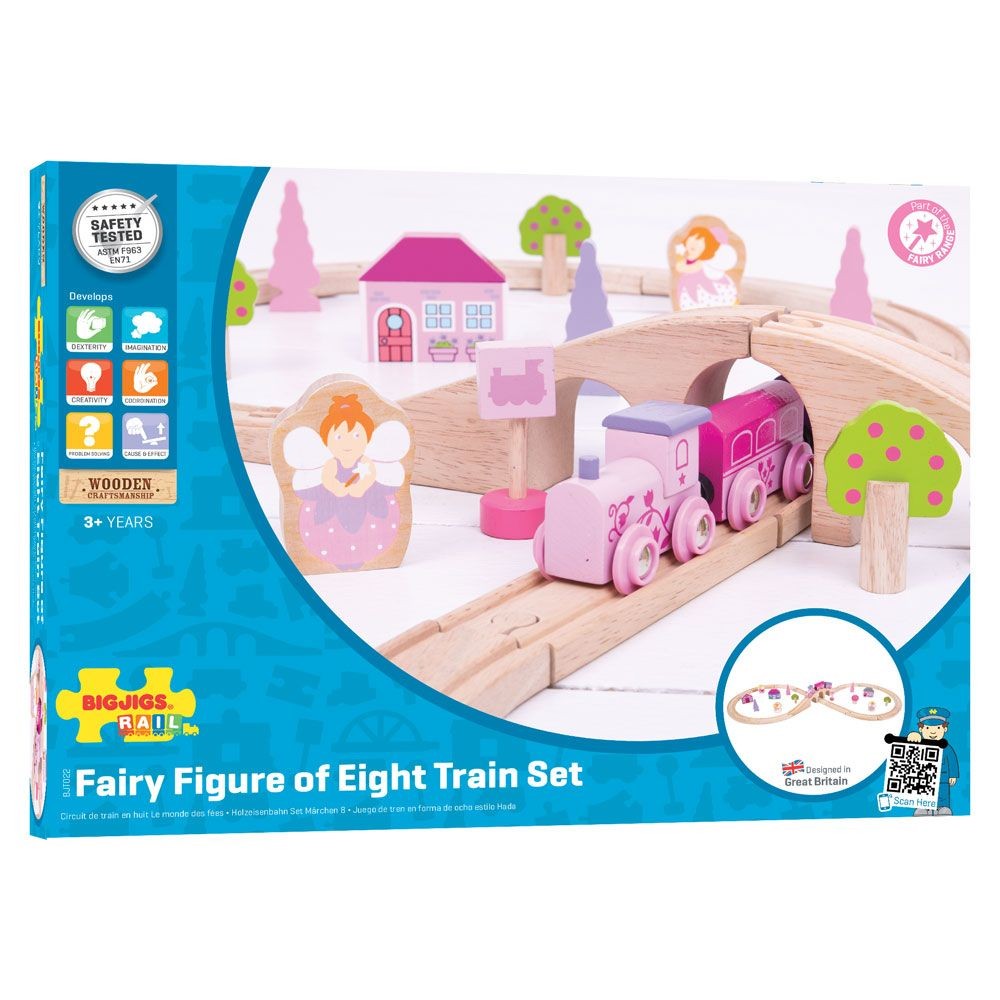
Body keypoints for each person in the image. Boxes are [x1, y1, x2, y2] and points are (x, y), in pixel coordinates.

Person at [906, 706, 959, 815]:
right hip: (923, 777)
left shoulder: (946, 747)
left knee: (942, 794)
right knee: (923, 792)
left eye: (938, 728)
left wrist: (953, 775)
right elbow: (910, 753)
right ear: (921, 729)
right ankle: (922, 807)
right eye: (928, 728)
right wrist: (912, 737)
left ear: (945, 729)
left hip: (942, 778)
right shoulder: (920, 743)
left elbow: (952, 760)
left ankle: (943, 808)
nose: (933, 732)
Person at [672, 225, 739, 310]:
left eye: (699, 240)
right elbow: (680, 266)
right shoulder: (686, 259)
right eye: (692, 238)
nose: (693, 243)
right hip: (688, 289)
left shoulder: (702, 263)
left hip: (702, 290)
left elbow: (684, 268)